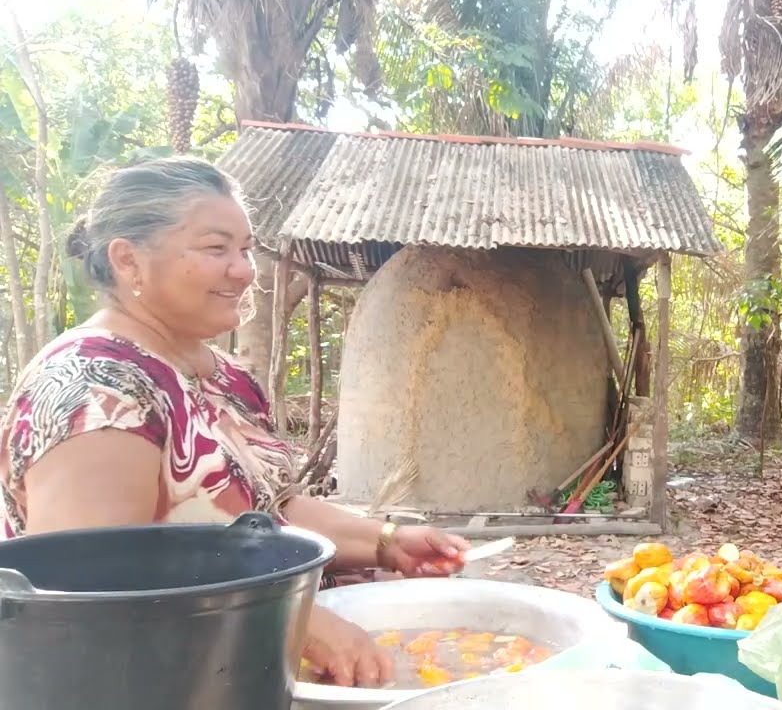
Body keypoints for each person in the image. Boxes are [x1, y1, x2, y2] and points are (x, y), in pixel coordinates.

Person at [0, 156, 471, 689]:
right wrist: (299, 621)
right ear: (129, 260)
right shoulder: (98, 390)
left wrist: (386, 541)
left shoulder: (221, 376)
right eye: (215, 248)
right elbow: (91, 585)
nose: (244, 269)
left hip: (236, 666)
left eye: (245, 249)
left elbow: (265, 512)